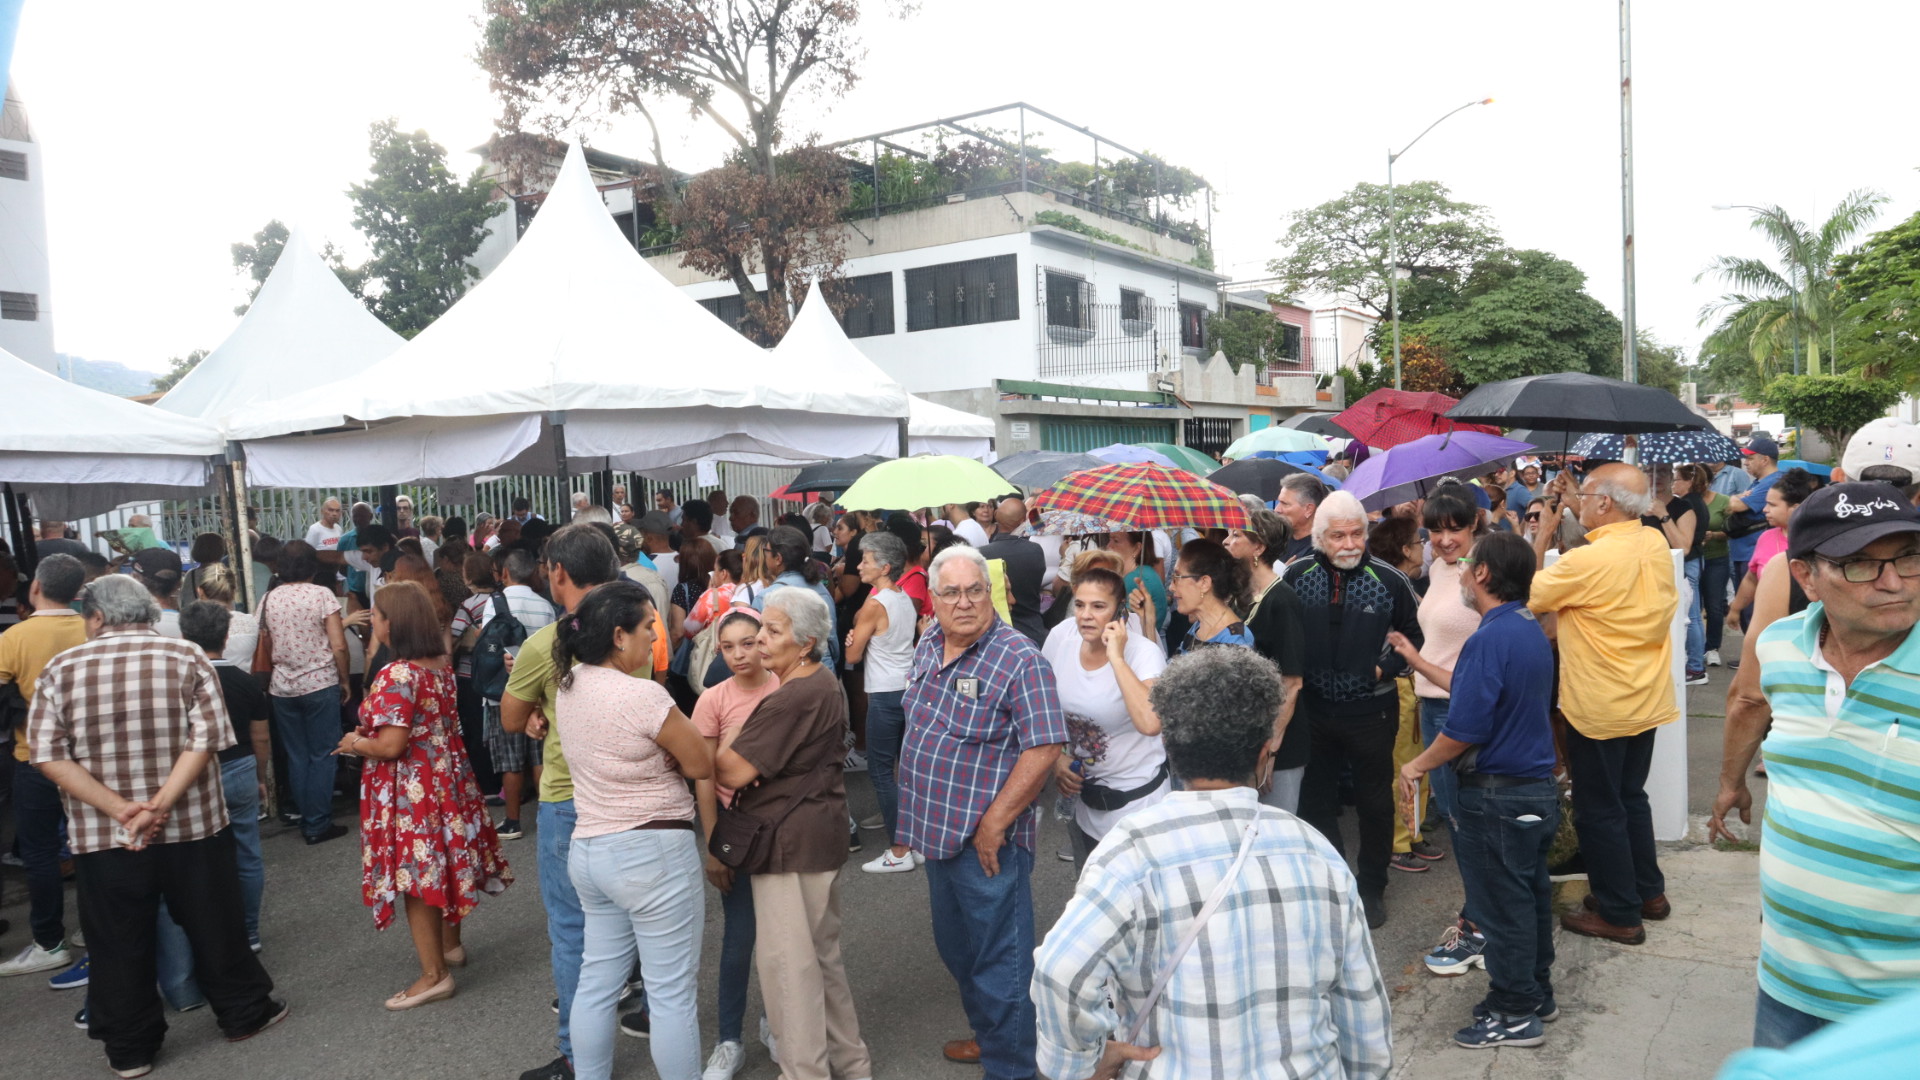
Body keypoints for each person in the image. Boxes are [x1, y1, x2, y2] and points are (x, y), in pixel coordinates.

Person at [1031, 646, 1391, 1080]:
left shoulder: (1132, 849)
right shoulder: (1315, 851)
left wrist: (1080, 1063)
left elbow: (1061, 970)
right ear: (1263, 752)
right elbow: (1361, 1009)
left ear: (1168, 744)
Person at [29, 574, 286, 1075]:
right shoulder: (187, 656)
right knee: (215, 922)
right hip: (193, 824)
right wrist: (161, 802)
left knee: (117, 939)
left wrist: (120, 808)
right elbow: (208, 738)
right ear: (148, 612)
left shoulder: (61, 669)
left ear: (98, 617)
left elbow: (45, 754)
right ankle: (243, 1014)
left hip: (104, 836)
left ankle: (130, 1050)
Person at [1721, 483, 1920, 1047]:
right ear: (1806, 577)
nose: (1894, 581)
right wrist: (1730, 782)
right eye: (1860, 564)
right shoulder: (1782, 647)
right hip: (1787, 984)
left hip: (1901, 1013)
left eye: (1910, 556)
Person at [899, 545, 1068, 1078]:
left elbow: (1043, 747)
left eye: (976, 590)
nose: (966, 602)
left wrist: (995, 823)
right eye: (952, 592)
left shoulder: (1020, 659)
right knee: (959, 951)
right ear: (934, 598)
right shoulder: (929, 641)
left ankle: (1014, 1065)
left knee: (1002, 964)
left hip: (987, 844)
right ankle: (993, 1035)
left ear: (989, 594)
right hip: (937, 833)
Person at [1390, 531, 1561, 1049]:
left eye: (1468, 565)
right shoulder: (1526, 626)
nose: (1461, 573)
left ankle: (1513, 1013)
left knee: (1502, 909)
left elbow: (1465, 728)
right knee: (1528, 899)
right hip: (1531, 791)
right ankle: (1534, 994)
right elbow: (1477, 695)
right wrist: (1416, 658)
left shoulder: (1489, 637)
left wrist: (1415, 766)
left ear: (1484, 574)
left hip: (1498, 796)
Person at [551, 580, 712, 1080]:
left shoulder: (569, 684)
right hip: (653, 851)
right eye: (648, 627)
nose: (654, 637)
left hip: (592, 850)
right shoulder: (643, 696)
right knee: (670, 995)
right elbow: (701, 761)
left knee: (597, 981)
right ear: (619, 636)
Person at [499, 525, 641, 1080]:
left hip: (568, 794)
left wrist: (535, 708)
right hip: (632, 792)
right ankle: (647, 1015)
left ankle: (581, 1058)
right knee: (637, 922)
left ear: (557, 572)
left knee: (573, 930)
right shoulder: (637, 627)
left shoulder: (547, 643)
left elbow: (512, 718)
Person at [715, 588, 873, 1080]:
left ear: (804, 643)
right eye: (763, 627)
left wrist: (698, 746)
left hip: (790, 840)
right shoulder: (821, 681)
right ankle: (849, 1063)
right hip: (813, 833)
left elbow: (732, 770)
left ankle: (804, 1071)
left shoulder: (795, 694)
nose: (760, 640)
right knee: (820, 961)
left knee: (790, 969)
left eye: (772, 631)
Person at [1529, 463, 1678, 945]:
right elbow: (1603, 524)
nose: (1581, 502)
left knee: (1599, 809)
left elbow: (1526, 596)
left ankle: (1619, 912)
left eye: (1588, 495)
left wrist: (1546, 533)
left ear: (1605, 504)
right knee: (1631, 797)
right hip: (1646, 696)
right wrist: (1576, 498)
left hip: (1599, 704)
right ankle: (1645, 892)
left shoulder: (1584, 562)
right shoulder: (1652, 541)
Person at [1284, 490, 1424, 929]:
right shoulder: (1295, 574)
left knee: (1374, 804)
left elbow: (1415, 635)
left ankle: (1372, 885)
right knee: (1317, 801)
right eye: (1339, 536)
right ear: (1319, 538)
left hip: (1371, 710)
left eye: (1357, 534)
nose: (1349, 544)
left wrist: (1387, 668)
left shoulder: (1389, 580)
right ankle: (1335, 878)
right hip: (1314, 711)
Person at [689, 610, 778, 1079]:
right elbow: (704, 777)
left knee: (785, 936)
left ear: (765, 640)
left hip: (784, 826)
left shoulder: (785, 686)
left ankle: (777, 1024)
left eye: (749, 642)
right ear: (718, 650)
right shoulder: (713, 700)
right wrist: (712, 844)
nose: (741, 654)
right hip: (736, 830)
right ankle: (729, 1039)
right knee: (740, 937)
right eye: (729, 647)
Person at [0, 554, 90, 979]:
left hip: (34, 758)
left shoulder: (14, 638)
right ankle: (94, 930)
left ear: (35, 587)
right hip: (91, 759)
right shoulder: (94, 629)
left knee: (39, 854)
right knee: (93, 846)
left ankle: (49, 941)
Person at [1044, 567, 1168, 873]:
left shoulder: (1144, 654)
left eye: (1098, 606)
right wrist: (1056, 757)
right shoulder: (1061, 637)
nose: (1085, 615)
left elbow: (1151, 723)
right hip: (1082, 803)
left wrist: (1117, 658)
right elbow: (1041, 705)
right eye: (1080, 604)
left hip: (1136, 807)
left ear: (1120, 610)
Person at [177, 602, 271, 953]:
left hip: (196, 775)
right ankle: (249, 932)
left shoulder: (181, 681)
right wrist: (260, 776)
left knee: (198, 858)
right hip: (241, 767)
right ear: (227, 636)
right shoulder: (246, 682)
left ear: (185, 635)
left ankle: (207, 934)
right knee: (247, 851)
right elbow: (260, 737)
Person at [258, 540, 355, 846]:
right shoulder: (321, 595)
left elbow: (265, 642)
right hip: (320, 683)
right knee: (323, 754)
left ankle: (306, 816)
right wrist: (344, 680)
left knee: (297, 756)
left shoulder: (269, 598)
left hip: (282, 687)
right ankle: (317, 822)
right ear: (313, 566)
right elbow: (339, 645)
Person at [1406, 488, 1482, 868]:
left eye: (1455, 529)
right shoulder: (1437, 568)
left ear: (1474, 525)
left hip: (1463, 703)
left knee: (1468, 813)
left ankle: (1483, 909)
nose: (1445, 539)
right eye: (1436, 530)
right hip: (1431, 701)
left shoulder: (1483, 570)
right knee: (1452, 809)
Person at [847, 533, 921, 875]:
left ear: (885, 567)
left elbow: (851, 654)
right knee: (904, 771)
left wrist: (852, 635)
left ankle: (899, 848)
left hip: (884, 694)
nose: (860, 564)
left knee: (880, 771)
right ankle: (913, 844)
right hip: (907, 689)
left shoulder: (874, 604)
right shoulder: (904, 598)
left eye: (866, 560)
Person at [1225, 509, 1308, 812]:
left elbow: (1292, 681)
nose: (1226, 541)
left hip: (1278, 740)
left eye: (1236, 535)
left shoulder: (1283, 600)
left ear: (1258, 548)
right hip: (1246, 733)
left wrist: (1271, 751)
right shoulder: (1239, 594)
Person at [485, 549, 559, 839]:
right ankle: (545, 817)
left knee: (511, 761)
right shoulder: (545, 605)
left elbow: (488, 645)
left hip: (505, 693)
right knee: (540, 756)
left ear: (504, 572)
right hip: (541, 693)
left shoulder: (494, 604)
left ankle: (513, 821)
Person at [979, 496, 1048, 646]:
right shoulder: (1034, 551)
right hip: (1032, 630)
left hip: (997, 633)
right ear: (1023, 520)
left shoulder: (981, 555)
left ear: (996, 515)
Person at [1726, 436, 1784, 586]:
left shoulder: (1771, 482)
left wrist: (1735, 498)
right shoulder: (1758, 482)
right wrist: (1737, 498)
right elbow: (1731, 506)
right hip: (1743, 552)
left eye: (1750, 458)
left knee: (1751, 606)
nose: (1745, 463)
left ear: (1764, 460)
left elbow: (1736, 506)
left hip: (1754, 553)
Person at [1107, 530, 1168, 640]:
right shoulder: (1141, 572)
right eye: (1109, 539)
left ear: (1137, 548)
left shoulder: (1136, 579)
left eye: (1116, 541)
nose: (1109, 546)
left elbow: (1122, 621)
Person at [195, 564, 259, 666]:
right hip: (243, 681)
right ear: (233, 592)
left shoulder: (192, 626)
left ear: (200, 592)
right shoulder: (251, 623)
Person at [1276, 472, 1330, 563]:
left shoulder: (1319, 552)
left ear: (1308, 509)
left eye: (1285, 504)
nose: (1277, 509)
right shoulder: (1277, 537)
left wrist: (1287, 573)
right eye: (1279, 502)